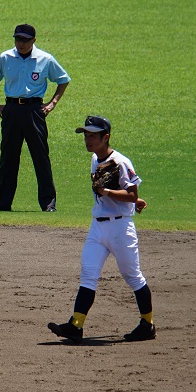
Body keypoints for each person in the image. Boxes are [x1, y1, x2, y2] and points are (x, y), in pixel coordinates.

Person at [48, 116, 154, 343]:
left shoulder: (121, 162)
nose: (87, 140)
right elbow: (124, 195)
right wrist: (130, 200)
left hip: (120, 229)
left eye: (92, 136)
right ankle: (76, 326)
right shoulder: (96, 158)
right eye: (86, 135)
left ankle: (147, 324)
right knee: (88, 275)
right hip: (98, 227)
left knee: (133, 276)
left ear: (105, 137)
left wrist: (119, 196)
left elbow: (130, 193)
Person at [0, 23, 71, 212]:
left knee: (40, 157)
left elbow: (63, 79)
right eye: (18, 39)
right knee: (8, 158)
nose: (21, 43)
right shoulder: (5, 57)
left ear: (34, 40)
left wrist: (52, 103)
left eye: (25, 40)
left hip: (34, 110)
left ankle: (48, 203)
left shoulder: (45, 59)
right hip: (11, 110)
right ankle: (2, 203)